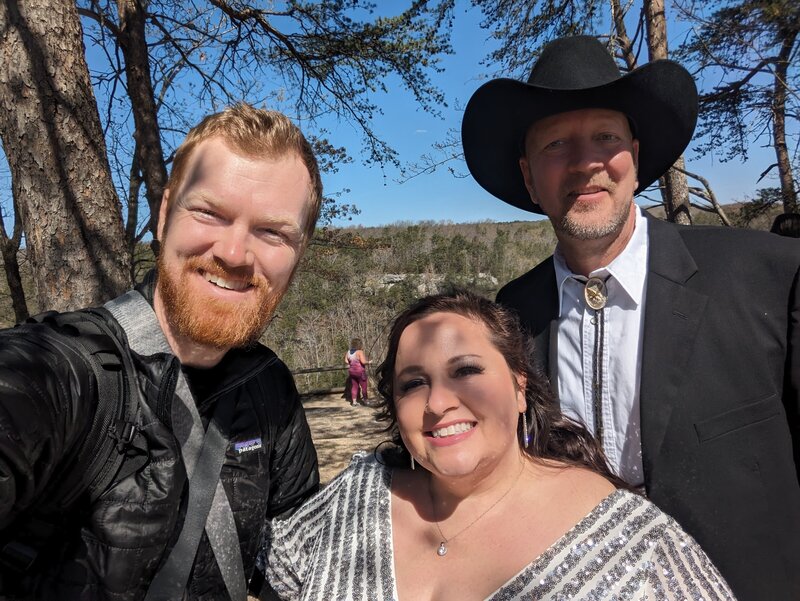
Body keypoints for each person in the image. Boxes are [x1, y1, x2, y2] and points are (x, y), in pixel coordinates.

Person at [460, 35, 800, 601]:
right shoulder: (512, 313)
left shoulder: (767, 276)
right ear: (527, 176)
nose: (586, 161)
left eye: (605, 137)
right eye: (556, 144)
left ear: (635, 159)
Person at [0, 103, 321, 600]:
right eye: (210, 213)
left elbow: (303, 568)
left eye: (272, 232)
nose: (234, 253)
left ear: (298, 254)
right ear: (166, 213)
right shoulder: (75, 370)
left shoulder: (268, 389)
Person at [259, 291, 735, 601]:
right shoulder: (354, 499)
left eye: (466, 371)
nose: (439, 403)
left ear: (520, 385)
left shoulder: (635, 548)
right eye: (413, 383)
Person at [345, 337, 370, 405]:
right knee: (364, 387)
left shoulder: (348, 352)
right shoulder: (360, 352)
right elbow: (363, 362)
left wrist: (351, 362)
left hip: (352, 372)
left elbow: (346, 361)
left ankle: (354, 402)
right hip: (360, 372)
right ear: (360, 345)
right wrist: (369, 362)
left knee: (354, 386)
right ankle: (366, 401)